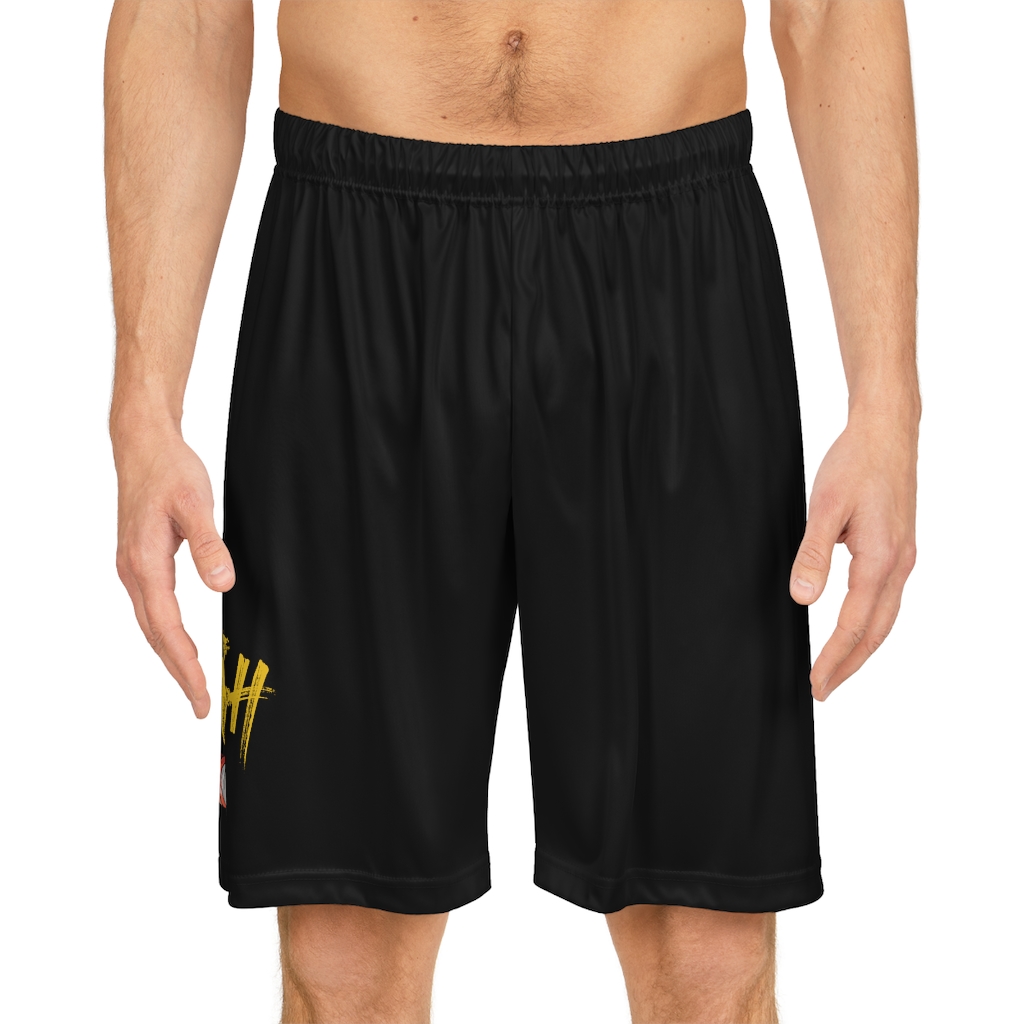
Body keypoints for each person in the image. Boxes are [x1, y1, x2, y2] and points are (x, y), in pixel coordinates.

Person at [104, 2, 919, 1021]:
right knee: (344, 952)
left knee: (705, 946)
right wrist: (144, 405)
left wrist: (886, 401)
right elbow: (186, 14)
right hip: (353, 265)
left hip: (673, 263)